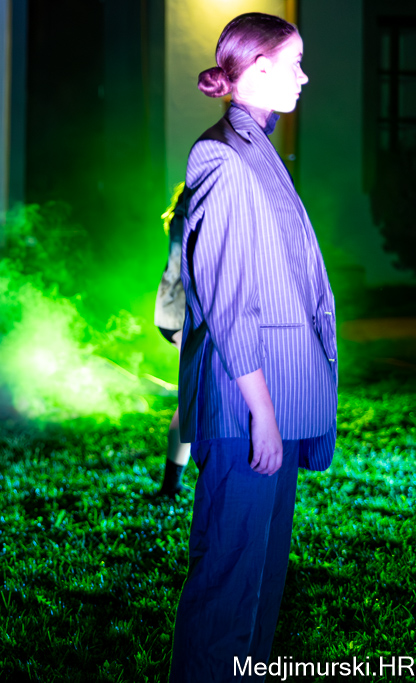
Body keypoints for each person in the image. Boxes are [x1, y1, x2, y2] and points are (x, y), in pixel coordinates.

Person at [169, 14, 337, 680]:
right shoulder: (222, 155)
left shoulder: (256, 147)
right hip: (251, 409)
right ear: (259, 69)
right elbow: (228, 298)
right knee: (229, 584)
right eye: (294, 63)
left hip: (276, 403)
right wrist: (261, 412)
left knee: (258, 587)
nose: (304, 76)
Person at [152, 184, 192, 497]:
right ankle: (171, 484)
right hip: (180, 315)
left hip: (175, 314)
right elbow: (182, 265)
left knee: (193, 398)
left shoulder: (185, 213)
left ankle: (172, 483)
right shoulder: (188, 215)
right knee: (191, 400)